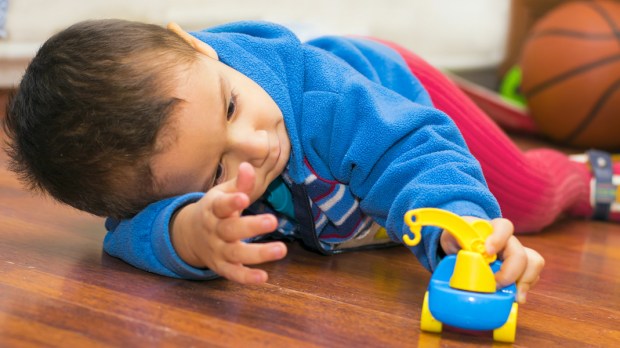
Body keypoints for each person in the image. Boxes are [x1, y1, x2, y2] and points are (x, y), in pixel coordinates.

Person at [18, 18, 616, 304]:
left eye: (230, 107)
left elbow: (410, 153)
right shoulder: (167, 166)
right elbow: (125, 233)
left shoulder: (317, 95)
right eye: (216, 173)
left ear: (198, 46)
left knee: (526, 198)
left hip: (395, 91)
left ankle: (584, 176)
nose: (254, 144)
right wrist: (185, 232)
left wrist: (458, 225)